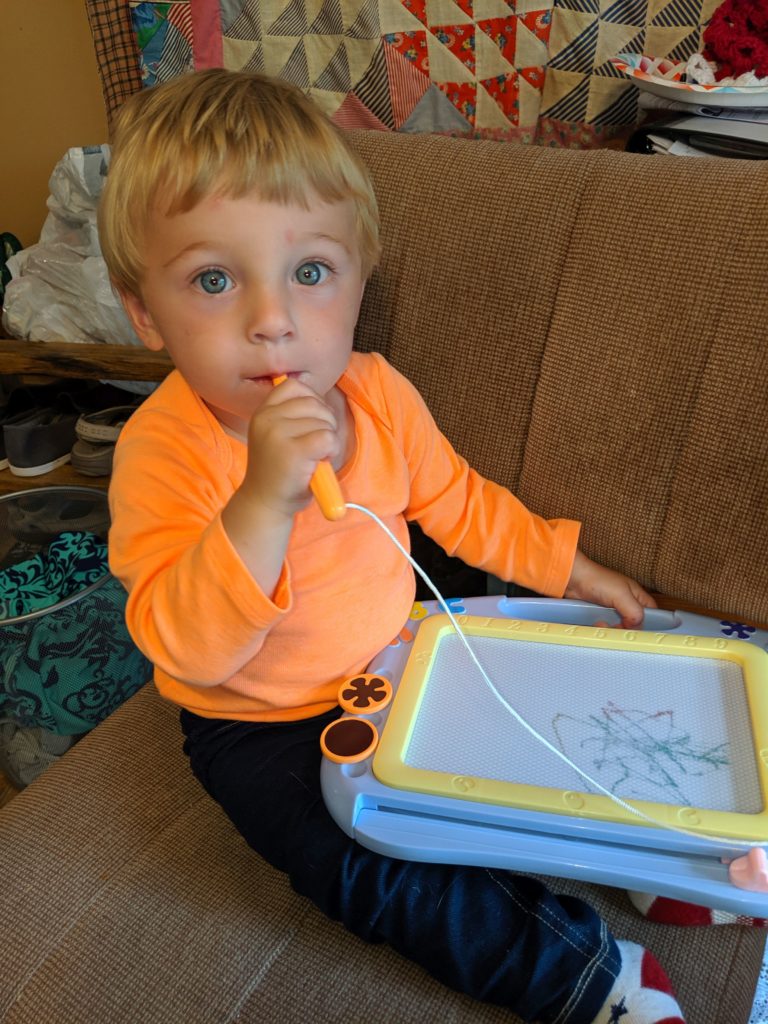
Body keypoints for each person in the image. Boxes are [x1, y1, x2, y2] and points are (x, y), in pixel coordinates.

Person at [101, 68, 685, 1024]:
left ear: (357, 280)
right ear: (145, 312)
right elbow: (187, 646)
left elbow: (457, 501)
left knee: (516, 739)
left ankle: (641, 843)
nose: (271, 318)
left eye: (310, 272)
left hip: (400, 654)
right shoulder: (162, 451)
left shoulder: (375, 391)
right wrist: (261, 502)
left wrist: (567, 566)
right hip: (262, 724)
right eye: (214, 279)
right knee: (376, 871)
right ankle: (574, 974)